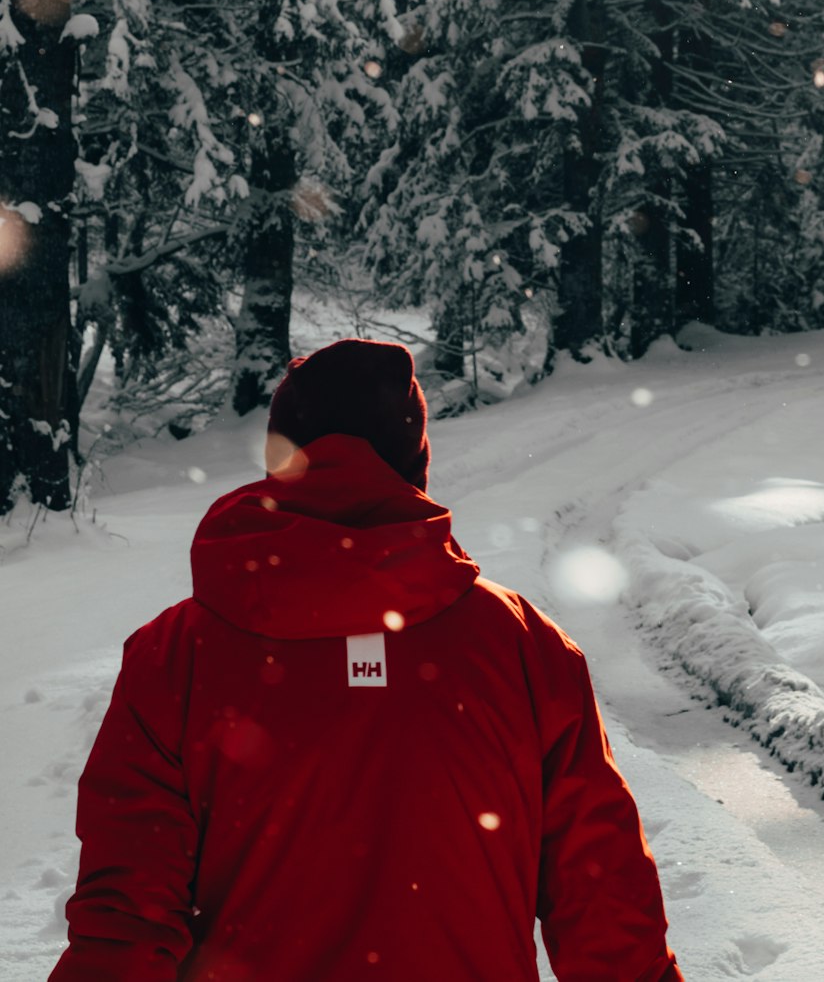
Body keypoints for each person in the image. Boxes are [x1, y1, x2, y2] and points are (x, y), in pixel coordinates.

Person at [50, 338, 686, 982]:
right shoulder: (522, 644)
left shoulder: (175, 655)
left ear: (280, 457)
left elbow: (126, 912)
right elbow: (603, 895)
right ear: (412, 464)